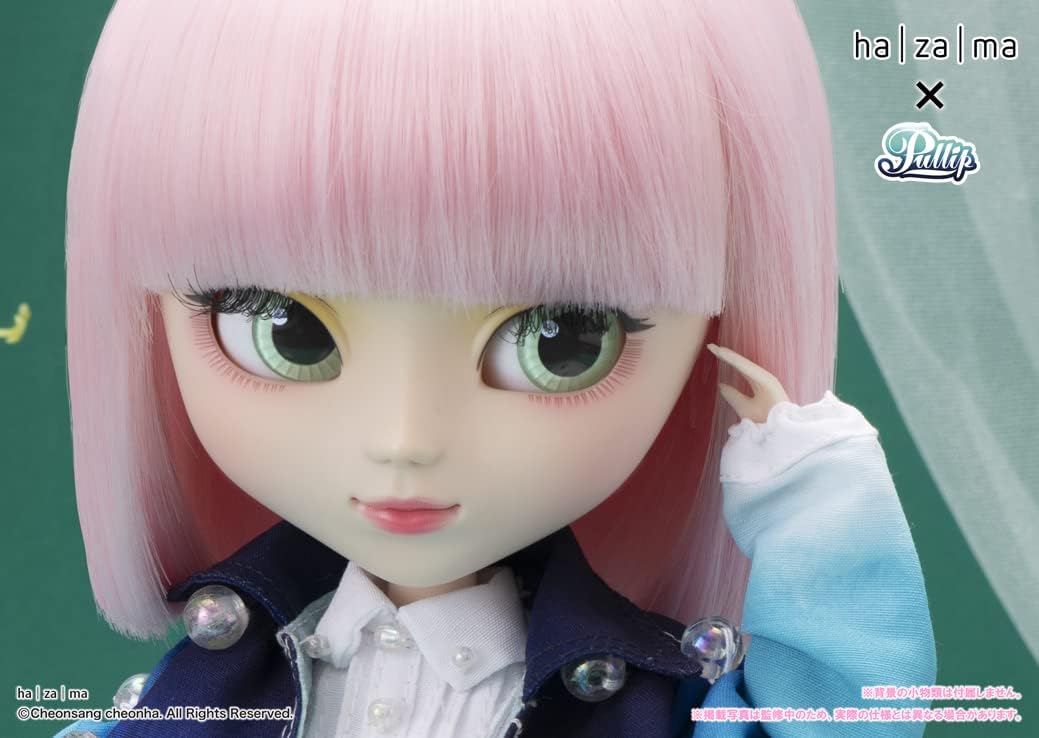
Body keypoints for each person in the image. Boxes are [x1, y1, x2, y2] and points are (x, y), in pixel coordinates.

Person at [57, 0, 935, 736]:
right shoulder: (215, 684)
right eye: (285, 332)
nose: (404, 439)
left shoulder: (631, 706)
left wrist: (808, 495)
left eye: (559, 342)